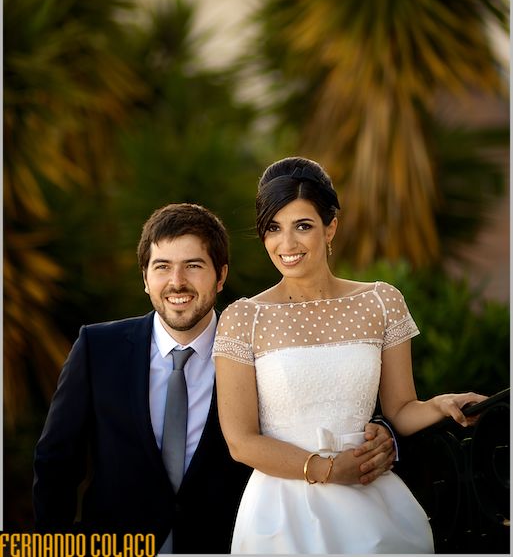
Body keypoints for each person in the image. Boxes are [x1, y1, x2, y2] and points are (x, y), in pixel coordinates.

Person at [33, 202, 394, 554]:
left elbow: (323, 404)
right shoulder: (98, 348)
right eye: (162, 267)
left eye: (193, 266)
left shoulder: (258, 351)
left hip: (229, 544)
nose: (177, 282)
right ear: (145, 277)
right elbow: (56, 462)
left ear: (220, 276)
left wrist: (382, 432)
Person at [213, 157, 488, 554]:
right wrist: (324, 470)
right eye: (274, 228)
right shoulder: (245, 318)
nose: (286, 245)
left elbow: (401, 408)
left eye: (302, 226)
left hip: (370, 499)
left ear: (331, 228)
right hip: (279, 515)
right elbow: (241, 441)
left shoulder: (380, 301)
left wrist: (441, 405)